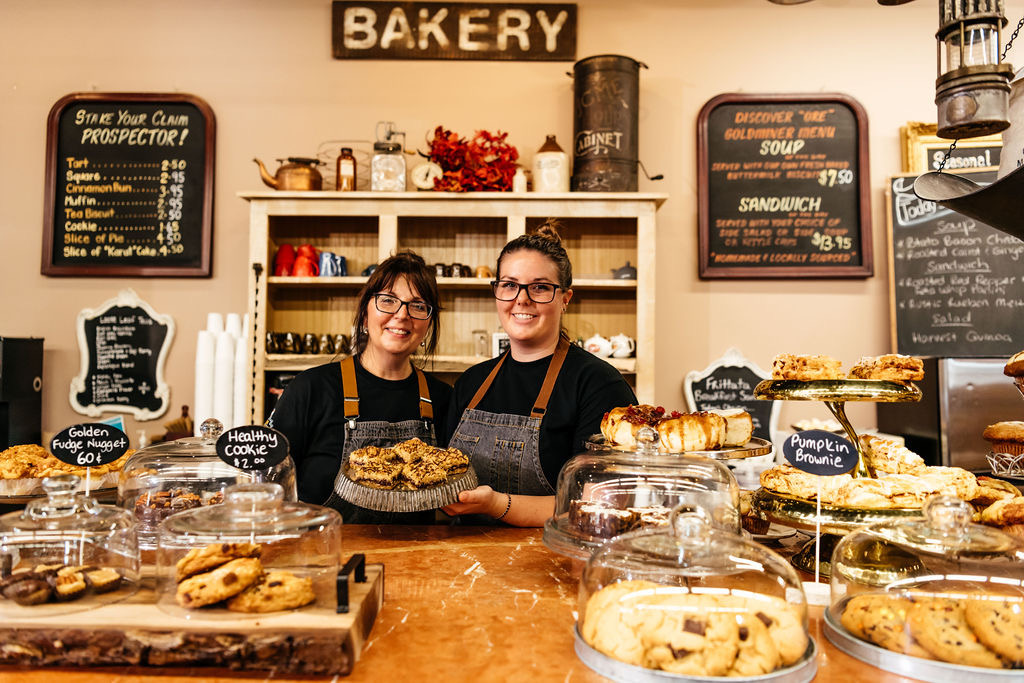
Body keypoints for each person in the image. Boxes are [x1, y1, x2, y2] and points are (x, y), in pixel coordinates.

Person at [442, 222, 637, 527]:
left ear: (565, 299)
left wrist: (497, 505)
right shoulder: (471, 383)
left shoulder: (600, 385)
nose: (522, 299)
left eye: (540, 287)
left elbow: (605, 504)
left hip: (554, 562)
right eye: (509, 284)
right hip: (462, 562)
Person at [268, 250, 452, 523]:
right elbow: (270, 486)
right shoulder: (311, 389)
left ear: (428, 324)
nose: (402, 315)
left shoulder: (444, 398)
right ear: (365, 315)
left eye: (418, 305)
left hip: (419, 558)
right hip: (327, 558)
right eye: (388, 300)